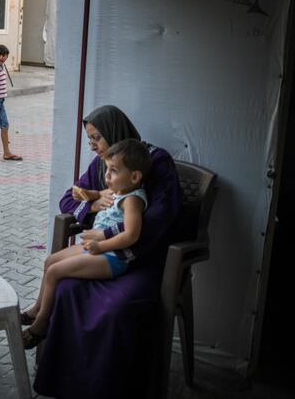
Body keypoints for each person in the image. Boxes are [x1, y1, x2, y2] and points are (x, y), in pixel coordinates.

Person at [32, 105, 185, 399]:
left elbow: (160, 218)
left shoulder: (157, 161)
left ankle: (106, 389)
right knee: (66, 288)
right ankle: (67, 383)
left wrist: (106, 237)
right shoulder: (104, 163)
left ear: (114, 132)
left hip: (144, 260)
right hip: (105, 252)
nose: (93, 146)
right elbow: (68, 199)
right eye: (89, 140)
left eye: (96, 138)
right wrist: (92, 204)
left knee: (114, 308)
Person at [20, 139, 152, 348]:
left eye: (114, 171)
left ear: (135, 176)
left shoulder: (132, 200)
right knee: (50, 261)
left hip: (112, 257)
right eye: (107, 169)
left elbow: (131, 235)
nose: (107, 176)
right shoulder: (120, 191)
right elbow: (96, 195)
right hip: (94, 248)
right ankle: (37, 309)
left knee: (55, 272)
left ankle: (41, 325)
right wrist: (91, 196)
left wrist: (101, 246)